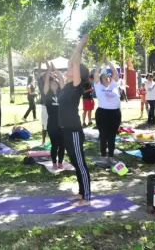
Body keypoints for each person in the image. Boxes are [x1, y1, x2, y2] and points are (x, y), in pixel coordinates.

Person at [59, 34, 92, 207]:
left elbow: (75, 62)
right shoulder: (66, 85)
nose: (70, 67)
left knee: (80, 162)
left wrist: (80, 46)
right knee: (74, 161)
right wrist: (75, 51)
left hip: (73, 131)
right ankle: (81, 192)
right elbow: (72, 61)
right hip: (66, 130)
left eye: (73, 67)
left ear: (78, 73)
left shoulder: (76, 85)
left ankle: (86, 197)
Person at [94, 54, 121, 165]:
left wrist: (108, 61)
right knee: (103, 135)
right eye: (105, 77)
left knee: (112, 136)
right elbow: (96, 73)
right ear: (101, 80)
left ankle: (111, 155)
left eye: (108, 77)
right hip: (102, 113)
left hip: (115, 113)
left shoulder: (114, 85)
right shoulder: (99, 86)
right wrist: (101, 62)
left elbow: (115, 71)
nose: (107, 78)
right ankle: (103, 156)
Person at [43, 62, 65, 169]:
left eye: (55, 84)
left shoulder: (61, 93)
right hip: (52, 122)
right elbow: (46, 81)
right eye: (52, 84)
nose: (54, 85)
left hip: (62, 122)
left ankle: (60, 162)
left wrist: (55, 69)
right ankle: (54, 162)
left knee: (62, 144)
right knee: (54, 144)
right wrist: (49, 70)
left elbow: (61, 79)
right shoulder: (48, 94)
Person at [36, 61, 48, 146]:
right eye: (43, 77)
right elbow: (39, 73)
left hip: (53, 107)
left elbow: (50, 71)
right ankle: (43, 141)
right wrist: (39, 63)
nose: (44, 77)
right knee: (44, 125)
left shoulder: (52, 84)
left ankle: (53, 139)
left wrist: (46, 62)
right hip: (45, 107)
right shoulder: (41, 85)